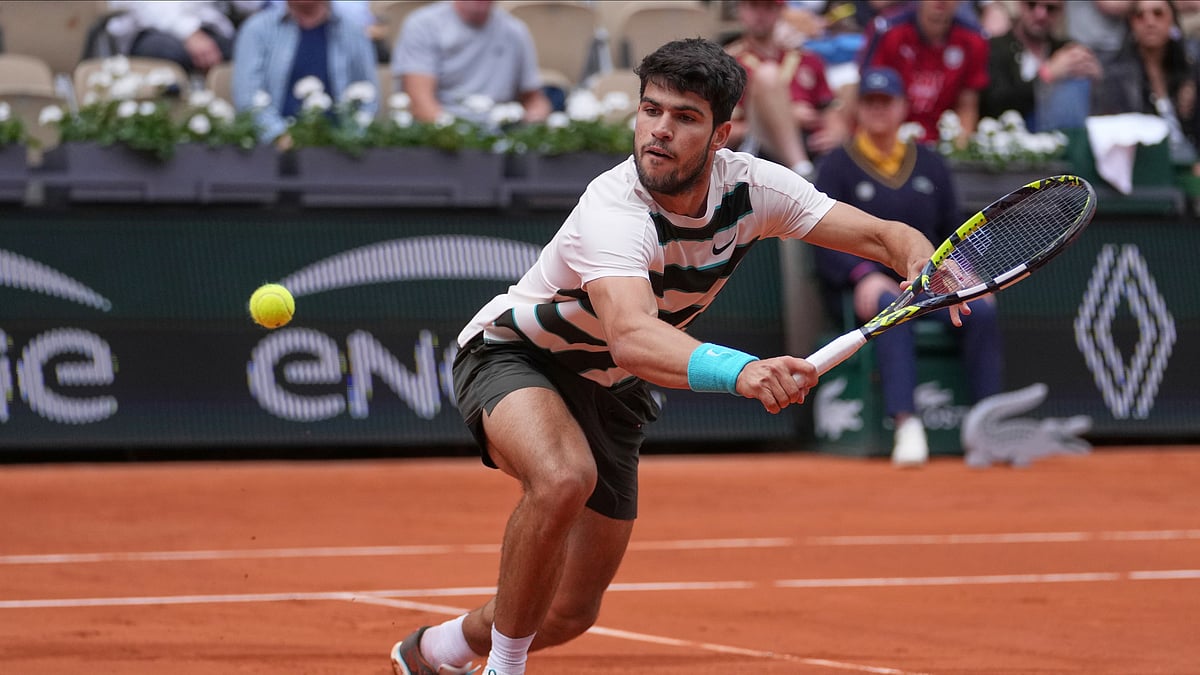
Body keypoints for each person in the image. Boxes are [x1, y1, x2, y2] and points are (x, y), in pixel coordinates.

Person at [389, 38, 957, 675]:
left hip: (612, 392)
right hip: (517, 356)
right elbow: (633, 336)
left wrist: (923, 264)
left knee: (571, 613)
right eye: (650, 110)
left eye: (684, 117)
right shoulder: (613, 208)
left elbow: (881, 234)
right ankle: (504, 669)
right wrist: (743, 371)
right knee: (562, 477)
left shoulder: (754, 189)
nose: (659, 131)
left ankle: (433, 651)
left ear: (721, 134)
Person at [812, 66, 1003, 466]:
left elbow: (956, 227)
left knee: (982, 308)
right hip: (865, 288)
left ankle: (987, 424)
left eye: (887, 102)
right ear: (858, 110)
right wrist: (861, 274)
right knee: (891, 304)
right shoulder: (835, 166)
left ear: (903, 108)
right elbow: (820, 236)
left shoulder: (931, 164)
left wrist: (963, 271)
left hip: (932, 282)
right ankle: (906, 423)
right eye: (870, 102)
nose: (878, 110)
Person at [725, 0, 850, 177]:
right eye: (753, 7)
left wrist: (836, 131)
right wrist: (784, 117)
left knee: (854, 85)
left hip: (812, 144)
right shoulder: (728, 63)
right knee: (768, 74)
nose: (760, 15)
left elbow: (830, 108)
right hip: (758, 151)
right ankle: (802, 170)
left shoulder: (808, 59)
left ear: (780, 12)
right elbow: (719, 132)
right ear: (740, 10)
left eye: (768, 7)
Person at [231, 0, 378, 147]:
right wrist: (279, 136)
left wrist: (349, 138)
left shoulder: (353, 31)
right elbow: (248, 96)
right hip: (274, 154)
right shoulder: (257, 29)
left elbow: (369, 96)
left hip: (341, 151)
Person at [390, 0, 551, 126]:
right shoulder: (423, 25)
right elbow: (420, 102)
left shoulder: (516, 31)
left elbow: (533, 98)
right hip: (442, 141)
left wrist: (535, 117)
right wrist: (455, 136)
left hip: (500, 135)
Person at [861, 0, 990, 146]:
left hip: (942, 142)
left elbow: (967, 107)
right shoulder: (888, 30)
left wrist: (958, 149)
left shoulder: (974, 39)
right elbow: (870, 100)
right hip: (891, 139)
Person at [1092, 0, 1200, 168]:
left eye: (1158, 14)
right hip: (1146, 169)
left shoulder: (1190, 70)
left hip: (1191, 163)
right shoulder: (1116, 76)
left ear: (1173, 21)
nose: (1149, 22)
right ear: (1131, 24)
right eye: (1139, 16)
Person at [981, 0, 1103, 131]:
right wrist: (1046, 75)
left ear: (1062, 12)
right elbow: (996, 106)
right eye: (1032, 4)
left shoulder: (1066, 49)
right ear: (1020, 5)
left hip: (1062, 136)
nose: (1040, 14)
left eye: (1050, 8)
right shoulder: (995, 48)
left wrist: (1096, 82)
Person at [105, 1, 259, 73]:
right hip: (147, 29)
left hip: (208, 27)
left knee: (251, 50)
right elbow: (146, 6)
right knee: (174, 53)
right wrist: (189, 32)